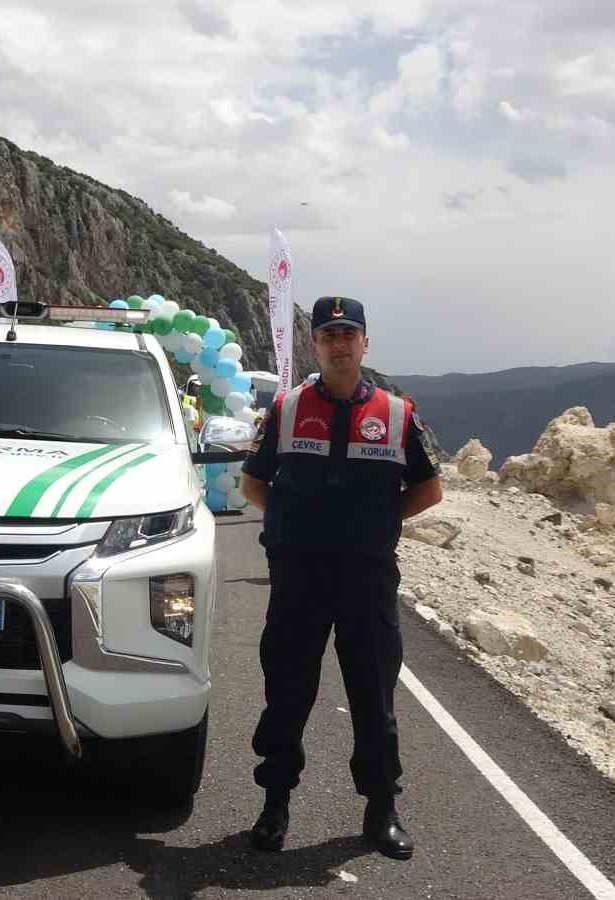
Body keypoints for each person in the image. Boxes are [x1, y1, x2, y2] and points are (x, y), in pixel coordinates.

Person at [239, 295, 444, 860]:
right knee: (286, 693)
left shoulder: (397, 413)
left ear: (364, 342)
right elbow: (254, 483)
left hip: (367, 578)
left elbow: (429, 489)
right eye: (328, 334)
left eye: (348, 333)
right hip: (299, 579)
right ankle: (274, 805)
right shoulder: (285, 409)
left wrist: (377, 525)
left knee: (373, 695)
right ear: (315, 344)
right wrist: (289, 527)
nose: (339, 342)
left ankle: (382, 810)